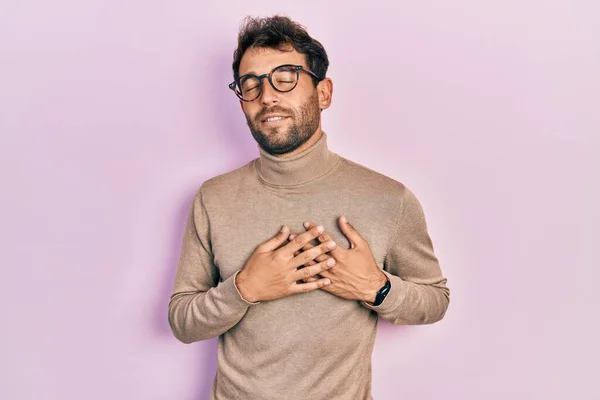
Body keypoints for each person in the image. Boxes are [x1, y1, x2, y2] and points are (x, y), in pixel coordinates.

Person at [168, 14, 450, 400]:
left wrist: (377, 288)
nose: (267, 96)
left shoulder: (388, 198)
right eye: (250, 85)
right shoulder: (212, 198)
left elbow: (434, 300)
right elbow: (183, 321)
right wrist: (245, 288)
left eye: (285, 77)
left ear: (323, 93)